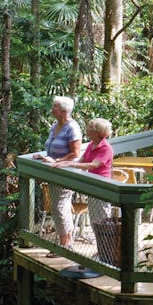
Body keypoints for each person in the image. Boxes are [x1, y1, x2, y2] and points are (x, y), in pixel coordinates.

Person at [33, 96, 82, 249]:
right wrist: (45, 156)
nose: (52, 109)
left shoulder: (72, 127)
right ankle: (65, 242)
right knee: (57, 207)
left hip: (65, 172)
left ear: (63, 111)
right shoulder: (55, 125)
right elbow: (52, 147)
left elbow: (75, 153)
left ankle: (66, 244)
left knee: (59, 207)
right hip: (53, 171)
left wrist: (57, 161)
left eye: (55, 107)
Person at [54, 118, 114, 224]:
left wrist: (70, 164)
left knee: (102, 218)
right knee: (94, 218)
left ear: (98, 132)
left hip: (102, 186)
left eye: (90, 128)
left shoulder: (106, 148)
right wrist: (63, 161)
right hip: (92, 184)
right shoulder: (91, 145)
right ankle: (99, 239)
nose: (87, 130)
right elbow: (81, 161)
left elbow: (93, 165)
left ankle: (106, 239)